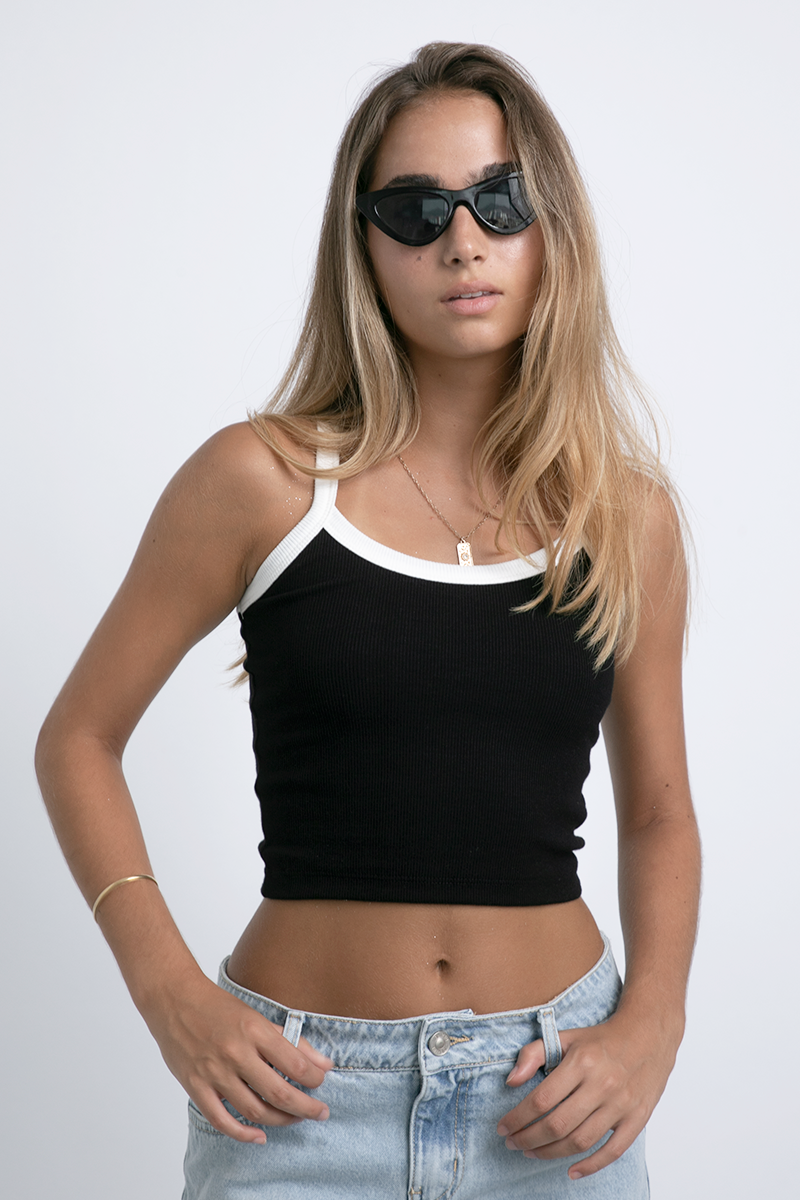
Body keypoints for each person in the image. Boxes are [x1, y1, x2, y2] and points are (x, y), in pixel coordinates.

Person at [35, 41, 700, 1199]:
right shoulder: (260, 483)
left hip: (553, 1098)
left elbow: (655, 809)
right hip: (297, 1105)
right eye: (415, 210)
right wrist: (168, 992)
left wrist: (652, 1024)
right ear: (363, 245)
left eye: (499, 200)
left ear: (553, 225)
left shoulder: (621, 515)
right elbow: (77, 738)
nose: (462, 241)